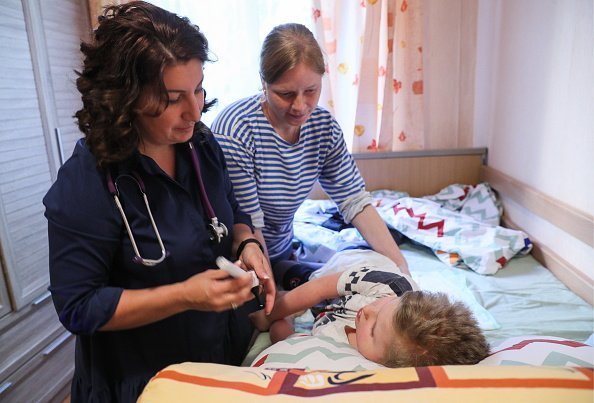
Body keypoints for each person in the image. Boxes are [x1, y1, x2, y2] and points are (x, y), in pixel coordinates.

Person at [42, 2, 275, 402]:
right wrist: (184, 295)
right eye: (172, 98)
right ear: (126, 97)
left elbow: (232, 212)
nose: (194, 110)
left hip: (219, 361)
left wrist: (247, 243)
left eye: (198, 89)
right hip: (142, 381)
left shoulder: (201, 145)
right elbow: (78, 306)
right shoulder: (89, 181)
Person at [210, 23, 409, 290]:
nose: (300, 106)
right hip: (242, 257)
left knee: (364, 276)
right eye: (286, 94)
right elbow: (248, 225)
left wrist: (402, 270)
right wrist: (271, 298)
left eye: (311, 91)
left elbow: (355, 201)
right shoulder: (237, 130)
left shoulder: (323, 127)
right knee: (281, 319)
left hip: (281, 250)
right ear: (263, 82)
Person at [250, 250, 490, 367]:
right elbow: (321, 288)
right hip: (348, 272)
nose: (367, 312)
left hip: (327, 313)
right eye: (385, 306)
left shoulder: (342, 354)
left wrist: (283, 326)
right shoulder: (387, 285)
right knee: (290, 271)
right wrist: (271, 314)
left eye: (373, 330)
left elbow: (292, 341)